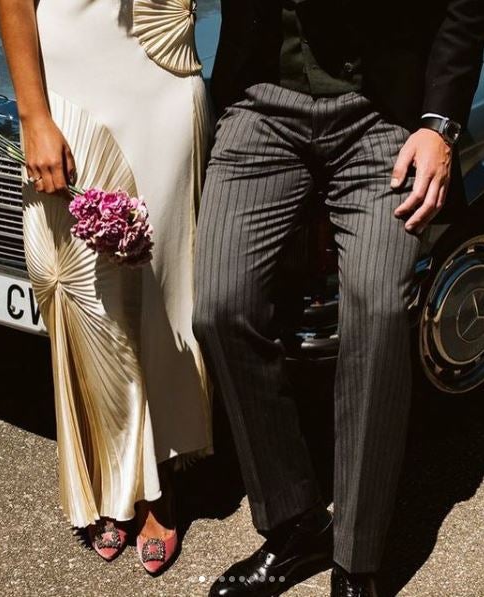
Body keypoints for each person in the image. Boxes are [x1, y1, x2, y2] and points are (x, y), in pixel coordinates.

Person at [193, 0, 484, 595]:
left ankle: (359, 555)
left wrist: (440, 125)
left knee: (377, 312)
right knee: (220, 306)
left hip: (381, 116)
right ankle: (295, 522)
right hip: (262, 101)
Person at [0, 0, 212, 574]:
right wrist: (33, 117)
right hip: (71, 82)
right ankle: (109, 476)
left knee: (164, 284)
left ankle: (157, 477)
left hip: (162, 74)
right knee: (90, 298)